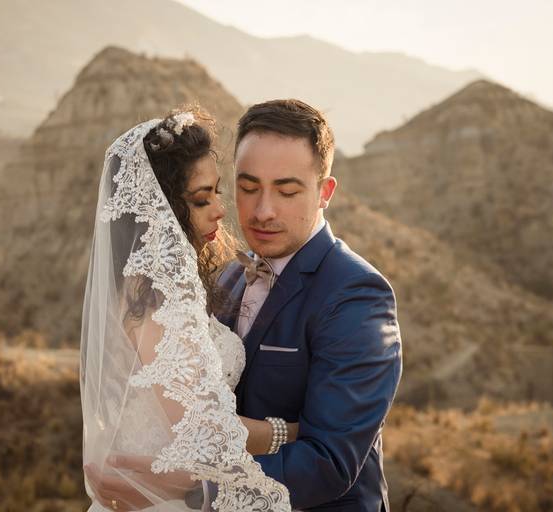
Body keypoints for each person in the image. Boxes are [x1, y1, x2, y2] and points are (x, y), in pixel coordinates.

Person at [79, 107, 292, 511]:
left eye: (216, 192)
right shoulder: (153, 294)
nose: (219, 209)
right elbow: (205, 430)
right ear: (159, 213)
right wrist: (293, 432)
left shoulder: (150, 285)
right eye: (200, 199)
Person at [206, 99, 402, 511]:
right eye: (248, 187)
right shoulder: (227, 276)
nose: (263, 210)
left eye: (287, 190)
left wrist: (194, 490)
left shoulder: (357, 294)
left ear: (324, 192)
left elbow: (327, 463)